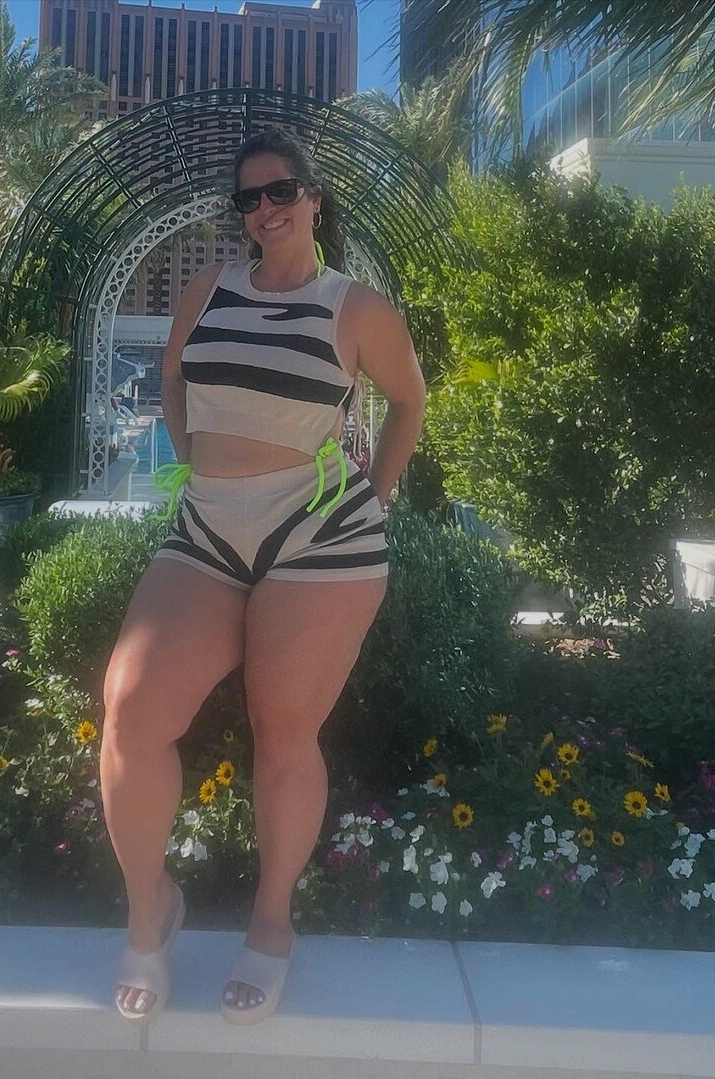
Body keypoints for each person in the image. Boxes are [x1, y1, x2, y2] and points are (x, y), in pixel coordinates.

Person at [99, 127, 426, 1026]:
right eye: (248, 198)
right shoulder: (208, 288)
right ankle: (149, 908)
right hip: (208, 524)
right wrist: (193, 460)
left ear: (314, 196)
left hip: (319, 534)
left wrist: (374, 497)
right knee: (130, 712)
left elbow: (410, 401)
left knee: (283, 732)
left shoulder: (354, 307)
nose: (265, 209)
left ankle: (272, 921)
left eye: (281, 190)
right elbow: (174, 378)